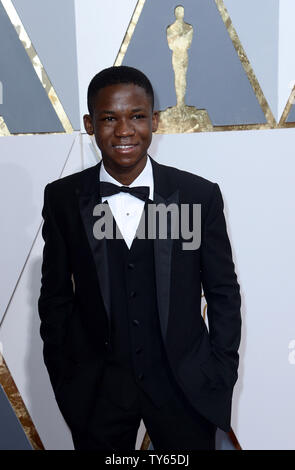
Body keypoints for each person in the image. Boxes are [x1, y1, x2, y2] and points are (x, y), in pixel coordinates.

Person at [38, 65, 241, 451]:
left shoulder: (198, 196)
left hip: (184, 387)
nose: (125, 130)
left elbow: (223, 294)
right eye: (109, 118)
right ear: (89, 123)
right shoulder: (63, 199)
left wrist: (220, 372)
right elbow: (55, 298)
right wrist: (68, 377)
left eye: (137, 116)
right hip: (99, 391)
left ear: (155, 120)